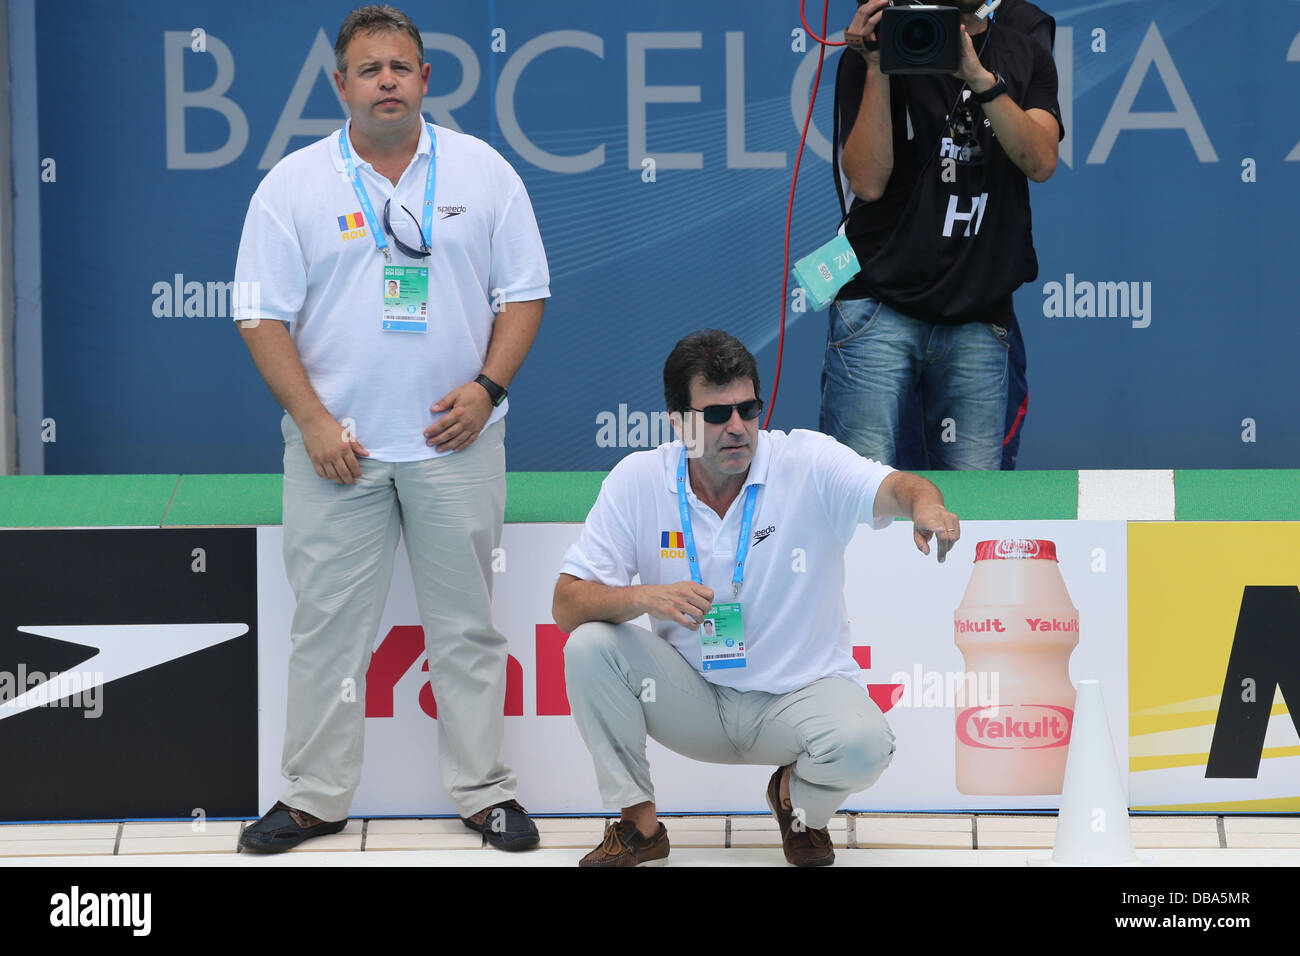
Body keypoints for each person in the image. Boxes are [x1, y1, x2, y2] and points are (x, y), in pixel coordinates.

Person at [232, 5, 549, 852]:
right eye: (368, 69)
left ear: (424, 80)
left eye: (400, 67)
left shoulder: (483, 174)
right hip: (339, 453)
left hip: (458, 442)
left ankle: (485, 793)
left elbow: (523, 294)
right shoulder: (293, 186)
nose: (385, 81)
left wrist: (486, 388)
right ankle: (312, 799)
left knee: (468, 631)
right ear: (340, 85)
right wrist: (314, 423)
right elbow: (259, 317)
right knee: (326, 633)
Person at [553, 329, 960, 867]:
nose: (739, 427)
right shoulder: (638, 479)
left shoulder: (807, 461)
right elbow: (566, 604)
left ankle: (796, 805)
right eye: (717, 414)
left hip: (795, 700)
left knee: (866, 744)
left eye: (749, 408)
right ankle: (639, 827)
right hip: (690, 696)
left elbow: (897, 486)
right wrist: (644, 597)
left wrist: (925, 506)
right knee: (588, 646)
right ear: (678, 422)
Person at [820, 0, 1063, 470]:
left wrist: (980, 78)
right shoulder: (878, 49)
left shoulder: (1023, 51)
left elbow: (1041, 161)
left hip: (976, 311)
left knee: (969, 510)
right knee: (859, 494)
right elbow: (868, 181)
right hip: (878, 306)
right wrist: (876, 67)